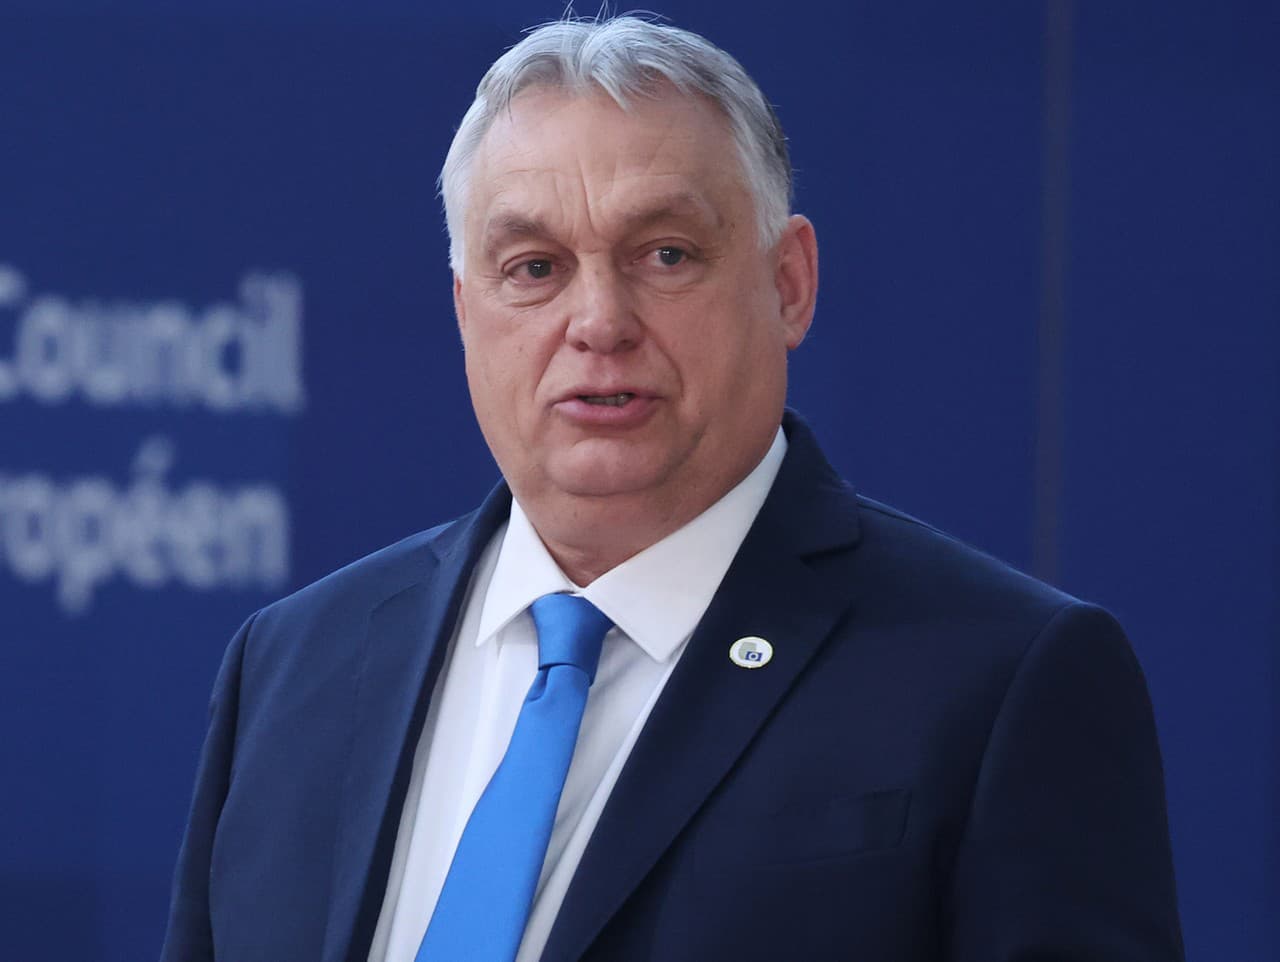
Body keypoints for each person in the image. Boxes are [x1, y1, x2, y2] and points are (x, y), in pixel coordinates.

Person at [161, 16, 1185, 962]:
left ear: (788, 283)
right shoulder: (290, 667)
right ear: (466, 311)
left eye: (665, 254)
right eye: (534, 267)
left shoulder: (999, 679)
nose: (598, 321)